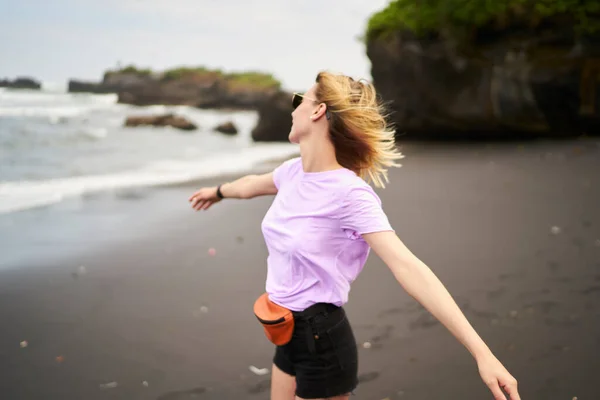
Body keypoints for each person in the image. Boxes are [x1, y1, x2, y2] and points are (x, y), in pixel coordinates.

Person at [188, 71, 520, 400]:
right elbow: (250, 185)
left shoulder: (350, 194)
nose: (292, 109)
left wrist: (482, 353)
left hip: (321, 342)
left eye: (298, 101)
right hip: (283, 330)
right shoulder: (292, 172)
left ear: (318, 111)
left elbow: (407, 265)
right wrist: (217, 191)